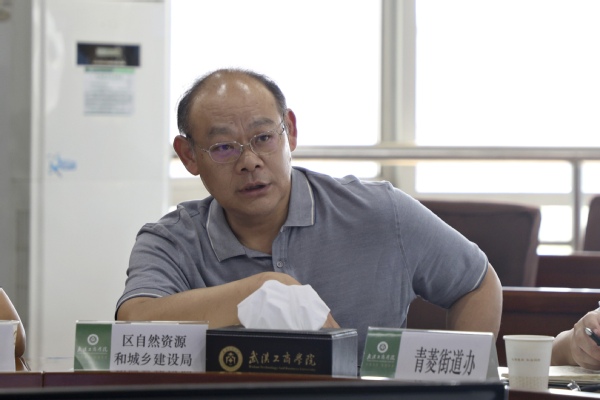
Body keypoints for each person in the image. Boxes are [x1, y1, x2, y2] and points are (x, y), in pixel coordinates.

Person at [116, 68, 502, 357]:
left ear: (291, 131)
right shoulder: (171, 241)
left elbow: (477, 284)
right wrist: (264, 290)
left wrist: (458, 384)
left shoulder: (381, 213)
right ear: (188, 156)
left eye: (263, 138)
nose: (250, 162)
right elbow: (133, 324)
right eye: (223, 148)